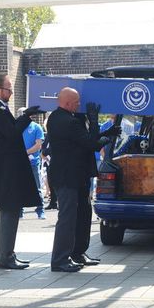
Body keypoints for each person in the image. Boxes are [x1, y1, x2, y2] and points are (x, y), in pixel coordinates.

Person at [46, 88, 119, 273]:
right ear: (68, 103)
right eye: (77, 102)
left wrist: (106, 131)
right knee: (68, 218)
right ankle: (60, 259)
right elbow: (90, 143)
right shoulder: (65, 120)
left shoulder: (67, 118)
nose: (80, 104)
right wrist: (96, 124)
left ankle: (77, 252)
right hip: (67, 176)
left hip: (77, 175)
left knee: (83, 215)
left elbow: (83, 140)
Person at [0, 73, 42, 270]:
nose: (10, 92)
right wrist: (26, 117)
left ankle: (8, 254)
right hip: (6, 169)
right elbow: (12, 132)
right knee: (9, 211)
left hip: (6, 167)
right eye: (8, 89)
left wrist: (24, 117)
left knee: (11, 211)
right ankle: (6, 256)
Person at [16, 107, 46, 220]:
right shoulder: (16, 127)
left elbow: (38, 145)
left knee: (37, 187)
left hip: (33, 161)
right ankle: (19, 212)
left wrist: (25, 153)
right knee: (18, 187)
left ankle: (40, 210)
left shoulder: (36, 127)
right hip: (18, 162)